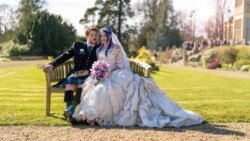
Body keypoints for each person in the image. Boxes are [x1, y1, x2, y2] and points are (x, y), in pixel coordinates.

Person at [72, 27, 203, 128]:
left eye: (104, 35)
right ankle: (88, 115)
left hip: (115, 74)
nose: (102, 37)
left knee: (105, 89)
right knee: (92, 87)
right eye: (101, 36)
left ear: (109, 36)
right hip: (101, 75)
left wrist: (108, 72)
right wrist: (98, 71)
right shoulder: (98, 48)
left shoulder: (116, 48)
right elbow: (97, 62)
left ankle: (100, 116)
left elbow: (120, 65)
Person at [43, 26, 100, 118]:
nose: (94, 37)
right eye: (91, 35)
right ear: (87, 36)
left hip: (89, 76)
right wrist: (52, 65)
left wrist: (88, 72)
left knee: (82, 86)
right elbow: (65, 56)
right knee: (69, 85)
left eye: (96, 35)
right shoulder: (78, 46)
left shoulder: (99, 48)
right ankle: (70, 115)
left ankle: (71, 110)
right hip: (75, 74)